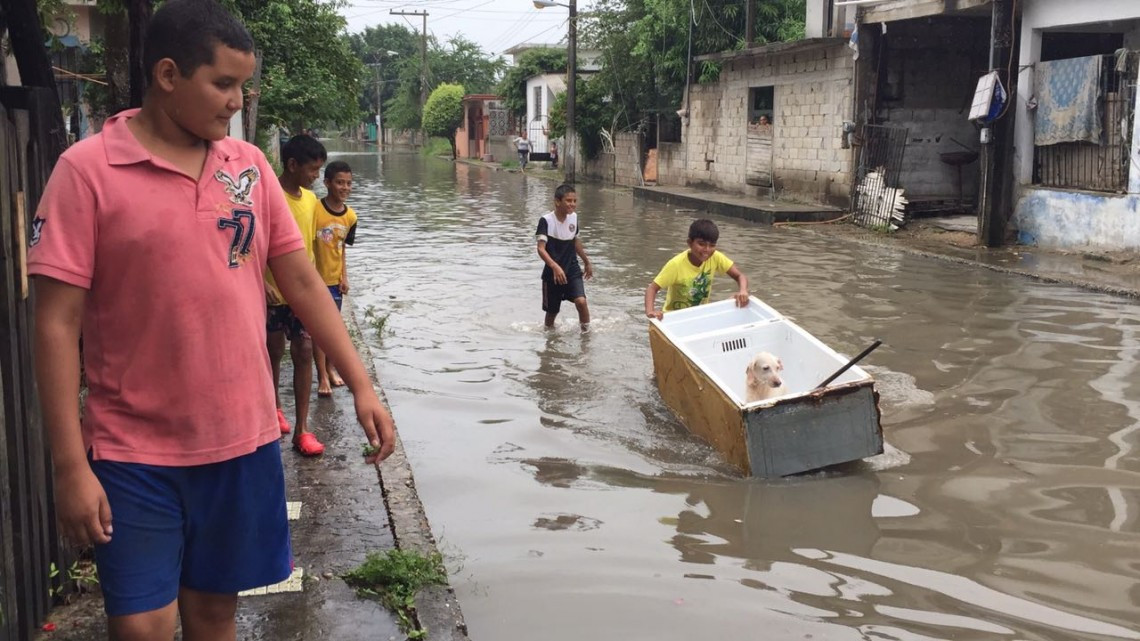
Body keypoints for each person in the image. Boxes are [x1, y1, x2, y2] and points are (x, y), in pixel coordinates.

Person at [27, 2, 396, 639]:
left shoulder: (247, 167)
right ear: (168, 75)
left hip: (241, 438)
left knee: (214, 612)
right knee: (142, 625)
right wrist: (69, 465)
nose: (235, 101)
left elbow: (302, 279)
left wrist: (362, 383)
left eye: (242, 86)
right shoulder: (86, 172)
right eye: (222, 84)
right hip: (131, 449)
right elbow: (56, 322)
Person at [265, 134, 327, 457]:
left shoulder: (310, 201)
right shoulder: (268, 196)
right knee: (273, 350)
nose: (316, 177)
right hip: (273, 292)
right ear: (292, 165)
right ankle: (274, 406)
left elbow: (313, 244)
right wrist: (263, 284)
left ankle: (302, 429)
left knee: (303, 349)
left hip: (301, 292)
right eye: (312, 170)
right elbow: (253, 243)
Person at [644, 219, 750, 320]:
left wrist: (743, 291)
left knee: (734, 300)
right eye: (701, 244)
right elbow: (652, 289)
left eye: (712, 245)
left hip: (700, 314)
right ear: (689, 243)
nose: (707, 250)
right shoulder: (676, 264)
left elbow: (740, 276)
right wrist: (650, 311)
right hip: (675, 317)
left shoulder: (715, 257)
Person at [313, 160, 358, 397]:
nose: (345, 187)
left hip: (334, 281)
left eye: (349, 183)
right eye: (340, 182)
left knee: (332, 329)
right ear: (327, 182)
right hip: (315, 281)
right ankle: (321, 375)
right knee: (319, 332)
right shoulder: (315, 210)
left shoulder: (350, 216)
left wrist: (344, 276)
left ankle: (330, 369)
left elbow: (342, 248)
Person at [536, 183, 593, 329]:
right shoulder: (546, 220)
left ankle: (586, 337)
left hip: (572, 269)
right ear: (557, 201)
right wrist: (554, 266)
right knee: (552, 313)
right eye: (568, 201)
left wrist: (586, 261)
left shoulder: (574, 218)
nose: (572, 204)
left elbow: (575, 241)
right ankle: (550, 343)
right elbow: (541, 249)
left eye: (574, 201)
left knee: (581, 302)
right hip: (552, 273)